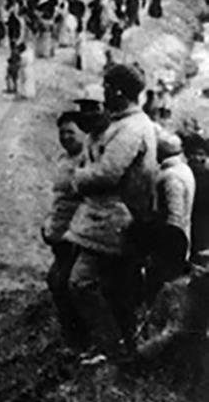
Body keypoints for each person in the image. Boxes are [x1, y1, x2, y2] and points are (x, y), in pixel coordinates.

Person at [66, 64, 158, 364]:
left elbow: (107, 173)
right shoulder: (125, 124)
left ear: (118, 91)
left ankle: (109, 347)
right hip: (114, 218)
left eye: (106, 86)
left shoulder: (131, 128)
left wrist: (78, 177)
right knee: (114, 287)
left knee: (82, 283)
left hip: (114, 219)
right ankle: (120, 348)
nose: (103, 92)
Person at [41, 113, 90, 351]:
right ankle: (70, 338)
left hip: (76, 232)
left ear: (84, 133)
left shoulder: (87, 160)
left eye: (71, 132)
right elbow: (57, 197)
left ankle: (80, 341)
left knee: (64, 282)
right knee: (56, 282)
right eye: (62, 133)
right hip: (58, 232)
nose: (66, 137)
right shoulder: (63, 158)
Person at [144, 132, 195, 306]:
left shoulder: (171, 176)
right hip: (179, 238)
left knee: (163, 289)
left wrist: (163, 245)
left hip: (170, 243)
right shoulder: (183, 169)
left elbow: (174, 215)